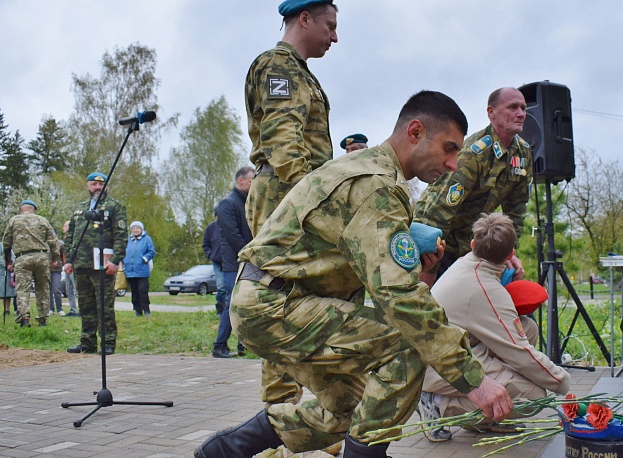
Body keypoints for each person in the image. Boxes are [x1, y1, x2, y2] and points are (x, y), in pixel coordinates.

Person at [194, 90, 513, 458]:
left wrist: (409, 267)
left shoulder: (373, 175)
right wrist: (473, 380)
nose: (454, 163)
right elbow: (399, 300)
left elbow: (365, 265)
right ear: (415, 132)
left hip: (274, 299)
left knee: (355, 405)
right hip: (273, 304)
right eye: (449, 148)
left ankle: (225, 450)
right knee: (408, 346)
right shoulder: (375, 185)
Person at [244, 0, 339, 418]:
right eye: (329, 25)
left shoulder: (300, 72)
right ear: (304, 18)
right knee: (279, 302)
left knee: (306, 300)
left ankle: (316, 417)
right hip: (288, 195)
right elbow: (285, 147)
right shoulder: (279, 66)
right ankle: (279, 423)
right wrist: (315, 204)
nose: (335, 36)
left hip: (295, 193)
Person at [419, 213, 571, 441]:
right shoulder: (486, 290)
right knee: (534, 397)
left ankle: (483, 417)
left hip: (440, 351)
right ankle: (439, 405)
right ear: (511, 254)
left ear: (473, 244)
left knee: (527, 327)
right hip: (438, 368)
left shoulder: (465, 264)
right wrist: (563, 383)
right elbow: (520, 352)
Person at [414, 87, 533, 286]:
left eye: (523, 108)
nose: (520, 114)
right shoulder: (473, 154)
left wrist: (508, 253)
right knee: (434, 307)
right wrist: (428, 270)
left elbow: (516, 212)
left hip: (473, 246)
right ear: (491, 112)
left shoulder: (522, 153)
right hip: (442, 243)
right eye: (513, 107)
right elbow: (438, 213)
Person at [65, 172, 128, 355]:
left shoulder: (114, 207)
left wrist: (116, 260)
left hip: (102, 264)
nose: (97, 188)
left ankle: (108, 342)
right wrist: (69, 260)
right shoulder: (79, 208)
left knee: (104, 305)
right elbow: (71, 236)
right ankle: (87, 342)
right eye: (94, 184)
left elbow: (120, 237)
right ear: (87, 186)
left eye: (101, 185)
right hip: (81, 264)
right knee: (85, 305)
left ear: (106, 187)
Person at [212, 166, 254, 359]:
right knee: (231, 305)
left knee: (245, 304)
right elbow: (233, 236)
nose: (254, 185)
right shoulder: (227, 204)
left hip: (244, 260)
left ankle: (242, 346)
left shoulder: (246, 202)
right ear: (240, 181)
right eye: (252, 181)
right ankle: (219, 345)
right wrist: (252, 253)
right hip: (233, 263)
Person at [2, 200, 59, 327]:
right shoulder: (43, 220)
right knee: (43, 289)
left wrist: (8, 260)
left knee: (22, 289)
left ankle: (25, 318)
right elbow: (53, 242)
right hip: (41, 257)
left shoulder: (14, 220)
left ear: (21, 209)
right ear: (34, 210)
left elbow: (6, 243)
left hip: (22, 258)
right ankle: (43, 319)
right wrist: (54, 258)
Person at [123, 221, 155, 317]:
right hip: (130, 270)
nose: (135, 230)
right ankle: (137, 310)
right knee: (134, 292)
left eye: (137, 228)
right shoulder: (128, 240)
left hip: (142, 270)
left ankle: (146, 310)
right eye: (133, 228)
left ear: (141, 229)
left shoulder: (147, 239)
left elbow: (151, 251)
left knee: (142, 291)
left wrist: (144, 258)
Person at [202, 217, 226, 317]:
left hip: (231, 262)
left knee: (231, 287)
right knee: (221, 287)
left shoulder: (231, 225)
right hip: (217, 262)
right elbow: (205, 244)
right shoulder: (211, 228)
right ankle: (220, 311)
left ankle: (230, 312)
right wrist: (211, 255)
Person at [61, 221, 79, 317]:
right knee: (68, 290)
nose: (63, 227)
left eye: (65, 225)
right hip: (65, 267)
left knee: (77, 289)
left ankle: (82, 310)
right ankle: (73, 310)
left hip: (72, 266)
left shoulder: (73, 238)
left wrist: (70, 264)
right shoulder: (64, 239)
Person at [49, 232, 66, 317]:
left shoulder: (60, 243)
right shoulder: (44, 243)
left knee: (56, 289)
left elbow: (63, 255)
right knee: (48, 290)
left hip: (57, 269)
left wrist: (64, 265)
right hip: (46, 268)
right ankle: (50, 309)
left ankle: (60, 309)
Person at [0, 242, 16, 319]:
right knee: (3, 291)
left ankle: (8, 309)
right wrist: (5, 265)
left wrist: (12, 265)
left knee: (9, 291)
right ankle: (5, 310)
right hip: (2, 271)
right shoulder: (0, 245)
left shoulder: (14, 245)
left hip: (11, 271)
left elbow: (14, 256)